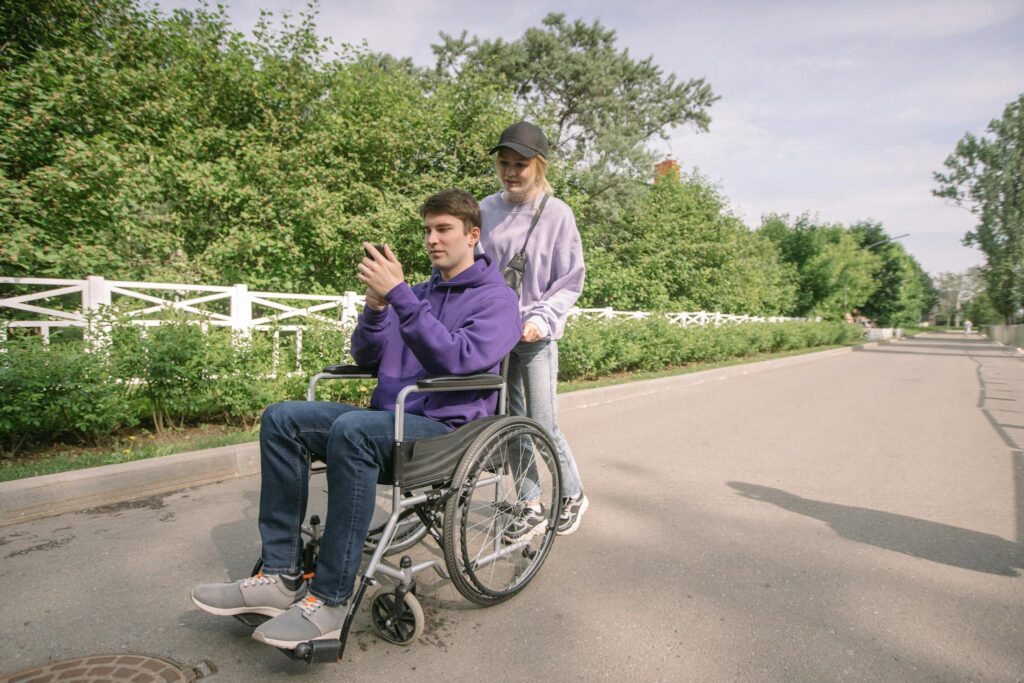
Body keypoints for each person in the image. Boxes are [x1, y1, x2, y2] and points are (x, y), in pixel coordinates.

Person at [191, 188, 521, 650]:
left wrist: (402, 299)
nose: (431, 239)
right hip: (389, 422)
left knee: (354, 429)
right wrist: (376, 307)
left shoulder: (498, 300)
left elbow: (457, 358)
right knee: (281, 418)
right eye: (426, 229)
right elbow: (365, 354)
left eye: (443, 229)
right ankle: (280, 575)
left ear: (472, 234)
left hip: (447, 433)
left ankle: (330, 601)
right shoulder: (418, 294)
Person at [478, 121, 589, 536]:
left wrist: (540, 319)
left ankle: (573, 493)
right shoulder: (486, 210)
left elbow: (570, 279)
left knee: (542, 423)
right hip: (496, 336)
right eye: (504, 163)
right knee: (510, 423)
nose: (510, 171)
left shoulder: (558, 215)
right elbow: (477, 269)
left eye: (520, 164)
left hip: (536, 336)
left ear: (538, 166)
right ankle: (529, 504)